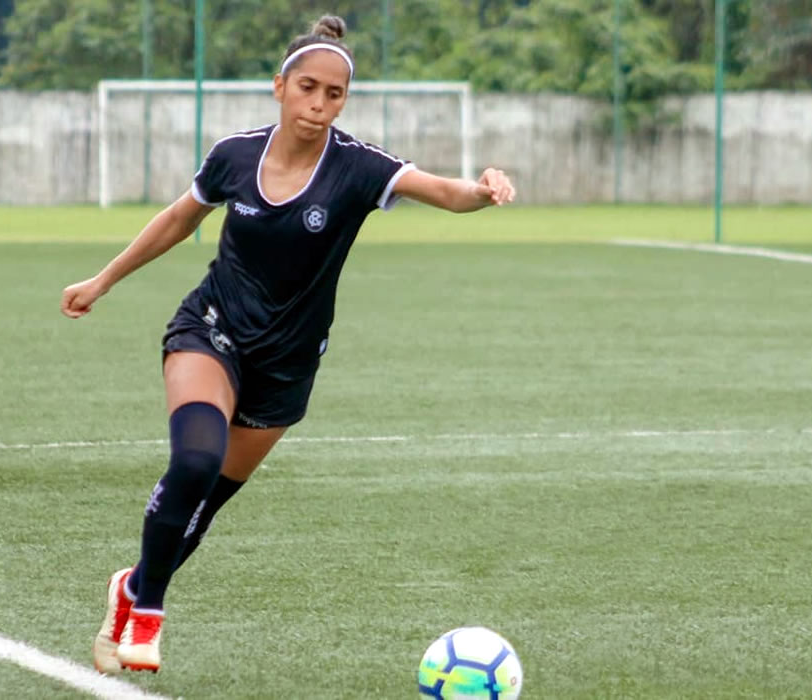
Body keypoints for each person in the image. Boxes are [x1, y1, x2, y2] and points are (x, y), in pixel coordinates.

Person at [61, 15, 516, 675]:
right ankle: (151, 609)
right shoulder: (234, 157)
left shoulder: (358, 168)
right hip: (210, 328)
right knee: (194, 462)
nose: (319, 104)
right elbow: (176, 220)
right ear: (280, 85)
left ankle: (130, 587)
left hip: (287, 364)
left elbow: (444, 192)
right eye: (308, 87)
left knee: (204, 505)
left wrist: (481, 191)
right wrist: (102, 280)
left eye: (334, 94)